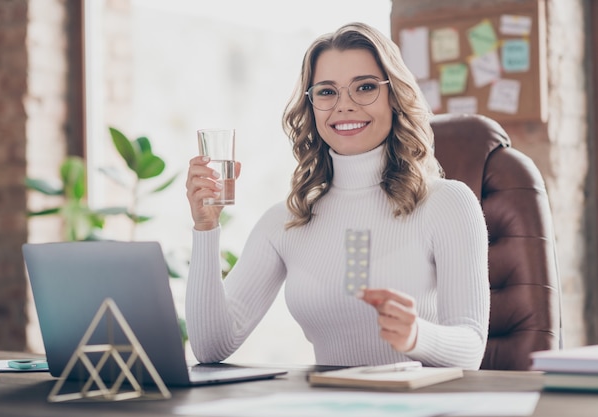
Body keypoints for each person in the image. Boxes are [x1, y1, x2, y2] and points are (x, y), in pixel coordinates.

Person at [185, 22, 490, 369]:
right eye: (327, 92)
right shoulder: (285, 221)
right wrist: (206, 228)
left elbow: (471, 350)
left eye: (365, 87)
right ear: (311, 106)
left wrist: (417, 336)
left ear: (395, 97)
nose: (344, 105)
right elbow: (210, 347)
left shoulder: (448, 204)